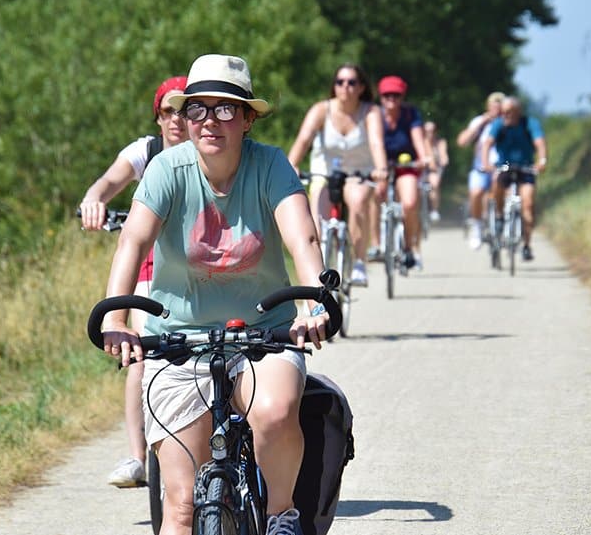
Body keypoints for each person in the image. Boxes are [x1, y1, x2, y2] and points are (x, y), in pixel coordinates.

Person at [100, 54, 332, 535]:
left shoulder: (270, 166)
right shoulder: (167, 169)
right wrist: (116, 317)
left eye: (226, 109)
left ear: (248, 118)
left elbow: (302, 237)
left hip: (264, 335)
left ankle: (281, 516)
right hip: (178, 341)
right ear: (183, 118)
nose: (210, 121)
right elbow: (134, 241)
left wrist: (313, 303)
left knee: (273, 411)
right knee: (181, 509)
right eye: (197, 109)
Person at [79, 75, 188, 488]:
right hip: (151, 272)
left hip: (201, 269)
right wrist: (95, 201)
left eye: (185, 109)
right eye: (168, 110)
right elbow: (108, 182)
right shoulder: (146, 151)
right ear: (157, 117)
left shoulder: (211, 151)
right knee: (139, 349)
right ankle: (137, 456)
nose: (177, 119)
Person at [286, 63, 388, 286]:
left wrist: (381, 169)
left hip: (357, 173)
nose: (345, 87)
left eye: (352, 82)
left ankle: (360, 262)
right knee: (317, 224)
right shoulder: (321, 110)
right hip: (323, 172)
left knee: (359, 202)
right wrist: (291, 164)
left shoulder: (370, 112)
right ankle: (318, 276)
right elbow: (304, 139)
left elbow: (376, 142)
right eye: (340, 82)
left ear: (361, 87)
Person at [479, 95, 548, 261]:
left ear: (518, 112)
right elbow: (487, 144)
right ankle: (499, 215)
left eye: (509, 112)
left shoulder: (530, 123)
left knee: (528, 203)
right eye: (503, 112)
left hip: (525, 167)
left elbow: (539, 143)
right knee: (496, 182)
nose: (505, 115)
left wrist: (542, 161)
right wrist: (486, 163)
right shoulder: (498, 124)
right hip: (504, 166)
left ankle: (526, 245)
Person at [376, 75, 432, 270]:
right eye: (387, 95)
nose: (391, 99)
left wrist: (424, 157)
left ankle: (408, 246)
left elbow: (418, 137)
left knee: (409, 203)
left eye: (396, 95)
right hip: (379, 165)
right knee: (373, 195)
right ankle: (375, 245)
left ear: (402, 97)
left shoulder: (410, 114)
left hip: (406, 165)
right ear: (381, 97)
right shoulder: (375, 115)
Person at [456, 92, 504, 250]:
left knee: (505, 192)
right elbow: (462, 141)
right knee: (476, 193)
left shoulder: (508, 123)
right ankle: (476, 227)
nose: (496, 110)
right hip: (480, 168)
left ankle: (501, 222)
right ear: (488, 107)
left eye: (499, 106)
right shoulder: (479, 122)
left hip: (502, 167)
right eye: (493, 106)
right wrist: (482, 123)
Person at [422, 121, 449, 223]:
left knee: (434, 183)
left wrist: (444, 160)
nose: (430, 133)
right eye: (427, 131)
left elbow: (443, 156)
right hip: (421, 169)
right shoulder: (420, 142)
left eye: (432, 131)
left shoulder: (440, 142)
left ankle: (434, 209)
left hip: (434, 169)